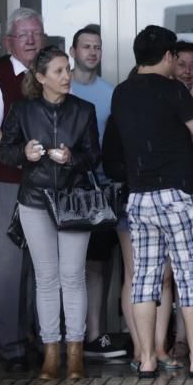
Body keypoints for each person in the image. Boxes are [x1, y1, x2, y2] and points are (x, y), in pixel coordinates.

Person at [108, 25, 193, 378]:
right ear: (168, 56)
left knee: (144, 278)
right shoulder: (174, 90)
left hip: (140, 196)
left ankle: (148, 359)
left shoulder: (121, 93)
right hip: (180, 193)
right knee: (191, 276)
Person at [0, 45, 100, 380]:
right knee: (46, 278)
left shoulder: (84, 110)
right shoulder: (22, 110)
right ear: (41, 78)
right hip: (35, 201)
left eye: (67, 69)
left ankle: (75, 354)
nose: (67, 76)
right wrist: (24, 153)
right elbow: (5, 151)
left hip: (73, 201)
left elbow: (93, 157)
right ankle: (50, 352)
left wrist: (71, 158)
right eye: (58, 71)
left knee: (72, 276)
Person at [0, 7, 47, 371]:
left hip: (46, 185)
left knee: (41, 265)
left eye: (36, 33)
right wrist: (29, 160)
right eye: (24, 35)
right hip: (8, 182)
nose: (31, 40)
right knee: (8, 263)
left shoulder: (51, 70)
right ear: (9, 42)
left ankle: (37, 336)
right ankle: (10, 344)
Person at [68, 24, 125, 360]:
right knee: (65, 267)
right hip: (65, 190)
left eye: (97, 47)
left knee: (98, 266)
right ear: (74, 51)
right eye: (86, 46)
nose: (92, 52)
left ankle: (95, 335)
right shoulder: (61, 86)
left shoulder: (110, 92)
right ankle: (62, 335)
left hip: (100, 190)